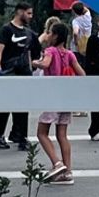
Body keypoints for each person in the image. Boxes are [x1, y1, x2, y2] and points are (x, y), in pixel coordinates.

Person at [36, 17, 85, 183]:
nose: (48, 35)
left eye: (50, 33)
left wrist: (35, 62)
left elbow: (45, 64)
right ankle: (68, 170)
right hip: (67, 98)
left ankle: (56, 163)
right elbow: (82, 74)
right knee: (62, 134)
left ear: (55, 36)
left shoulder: (50, 51)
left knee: (41, 132)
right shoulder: (69, 54)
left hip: (52, 97)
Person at [0, 4, 40, 150]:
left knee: (23, 105)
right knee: (5, 104)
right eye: (29, 13)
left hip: (24, 72)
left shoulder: (30, 33)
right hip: (9, 70)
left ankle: (21, 137)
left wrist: (35, 64)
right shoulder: (7, 29)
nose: (31, 16)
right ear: (20, 12)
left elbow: (36, 52)